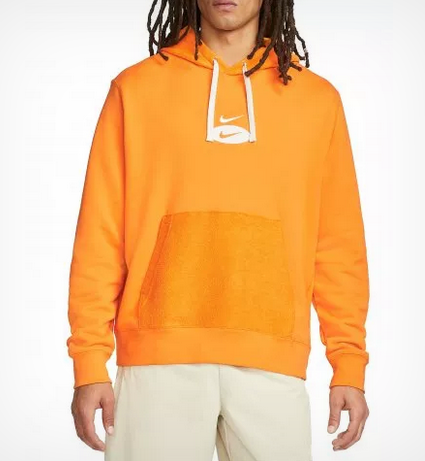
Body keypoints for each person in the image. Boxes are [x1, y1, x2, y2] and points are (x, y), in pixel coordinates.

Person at [67, 1, 370, 459]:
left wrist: (348, 362)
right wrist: (89, 362)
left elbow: (337, 243)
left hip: (273, 357)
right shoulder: (136, 89)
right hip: (158, 359)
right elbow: (100, 234)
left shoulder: (317, 100)